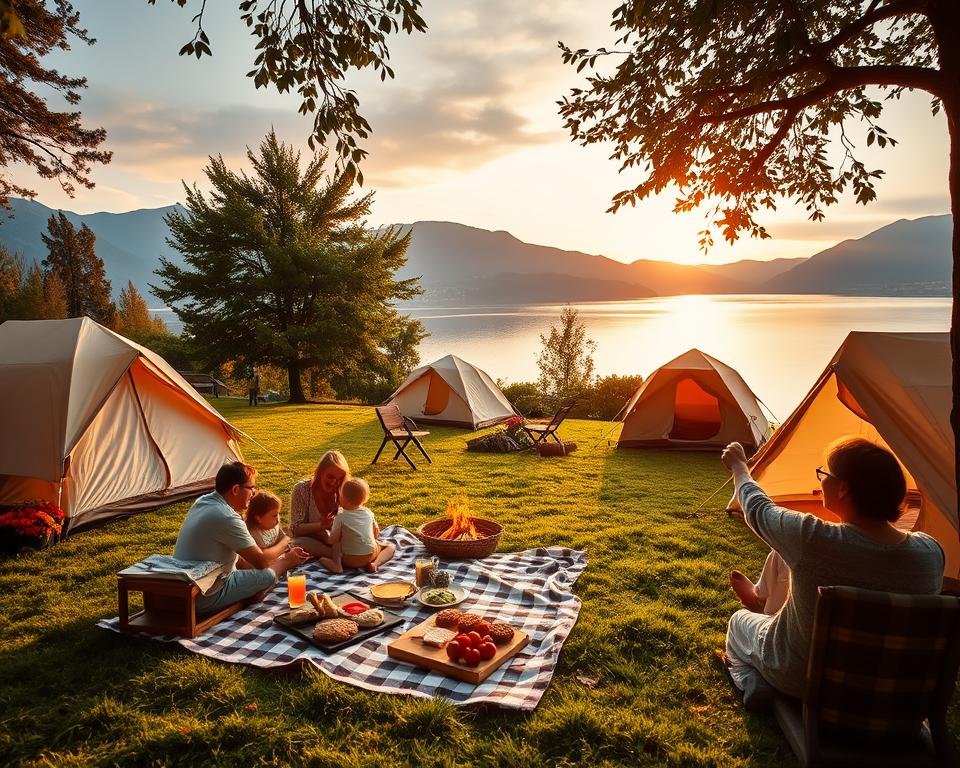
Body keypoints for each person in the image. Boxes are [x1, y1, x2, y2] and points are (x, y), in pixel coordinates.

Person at [720, 436, 944, 710]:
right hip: (893, 694)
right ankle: (764, 602)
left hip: (805, 680)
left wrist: (740, 468)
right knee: (789, 573)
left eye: (824, 474)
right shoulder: (932, 553)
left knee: (739, 622)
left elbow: (757, 509)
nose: (820, 481)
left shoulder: (814, 539)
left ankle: (750, 678)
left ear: (843, 489)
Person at [174, 462, 308, 614]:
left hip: (185, 586)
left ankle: (253, 587)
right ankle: (284, 564)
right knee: (267, 575)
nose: (254, 492)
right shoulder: (226, 516)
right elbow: (262, 561)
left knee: (253, 570)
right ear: (236, 489)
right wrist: (286, 545)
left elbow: (242, 558)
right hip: (204, 594)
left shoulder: (203, 501)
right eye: (251, 487)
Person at [319, 478, 396, 574]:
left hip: (349, 559)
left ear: (344, 499)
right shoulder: (368, 513)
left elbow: (332, 540)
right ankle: (375, 564)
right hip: (370, 555)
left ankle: (337, 565)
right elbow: (376, 534)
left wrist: (324, 532)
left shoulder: (340, 516)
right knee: (391, 546)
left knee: (337, 541)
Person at [289, 450, 350, 558]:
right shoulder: (302, 489)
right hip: (311, 540)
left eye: (339, 479)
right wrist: (321, 525)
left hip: (338, 540)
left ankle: (341, 556)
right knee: (296, 544)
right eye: (330, 477)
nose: (334, 483)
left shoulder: (343, 490)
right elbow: (295, 529)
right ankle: (339, 557)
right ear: (320, 472)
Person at [244, 490, 290, 558]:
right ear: (258, 518)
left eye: (278, 514)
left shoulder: (273, 525)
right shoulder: (254, 535)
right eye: (274, 515)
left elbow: (283, 540)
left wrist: (291, 550)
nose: (277, 519)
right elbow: (264, 558)